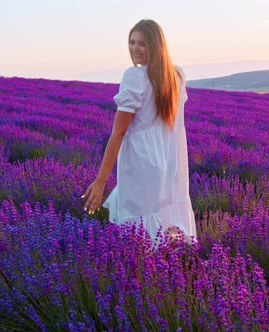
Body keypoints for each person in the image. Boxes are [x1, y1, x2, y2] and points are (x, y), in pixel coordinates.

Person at [82, 19, 196, 245]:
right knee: (168, 228)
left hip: (142, 164)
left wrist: (100, 181)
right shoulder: (177, 76)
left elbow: (118, 133)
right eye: (131, 42)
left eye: (142, 44)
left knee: (141, 237)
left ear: (156, 46)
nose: (135, 49)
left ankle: (143, 274)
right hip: (170, 162)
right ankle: (172, 275)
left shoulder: (134, 77)